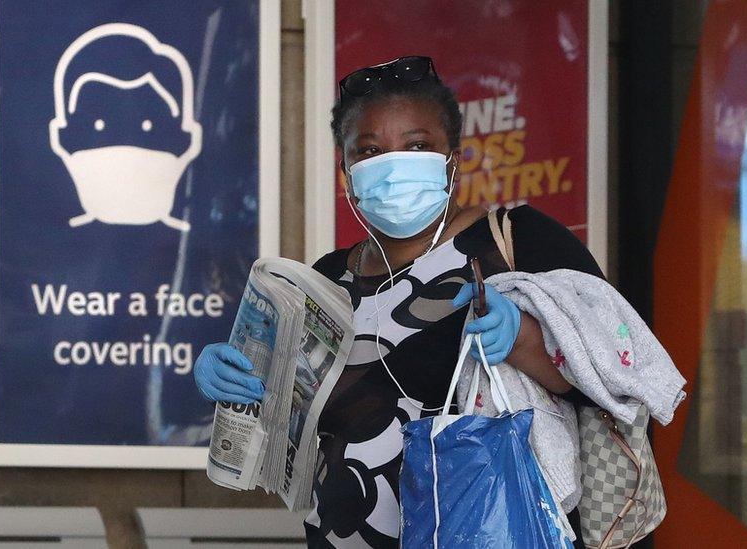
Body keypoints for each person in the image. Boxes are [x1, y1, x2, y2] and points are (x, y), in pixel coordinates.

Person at [194, 56, 604, 548]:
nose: (392, 165)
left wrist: (523, 338)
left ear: (452, 157)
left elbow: (615, 372)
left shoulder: (518, 242)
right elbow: (293, 426)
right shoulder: (328, 279)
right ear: (345, 171)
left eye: (416, 145)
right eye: (369, 151)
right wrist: (238, 381)